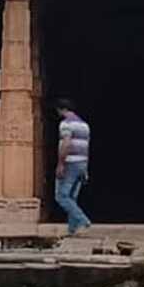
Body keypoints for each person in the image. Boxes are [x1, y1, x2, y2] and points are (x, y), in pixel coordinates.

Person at [54, 98, 92, 234]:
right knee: (72, 197)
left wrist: (60, 164)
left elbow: (66, 143)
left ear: (61, 109)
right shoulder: (84, 125)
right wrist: (85, 168)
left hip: (70, 162)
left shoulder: (66, 124)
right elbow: (86, 147)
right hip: (81, 162)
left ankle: (83, 220)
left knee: (61, 196)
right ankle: (72, 228)